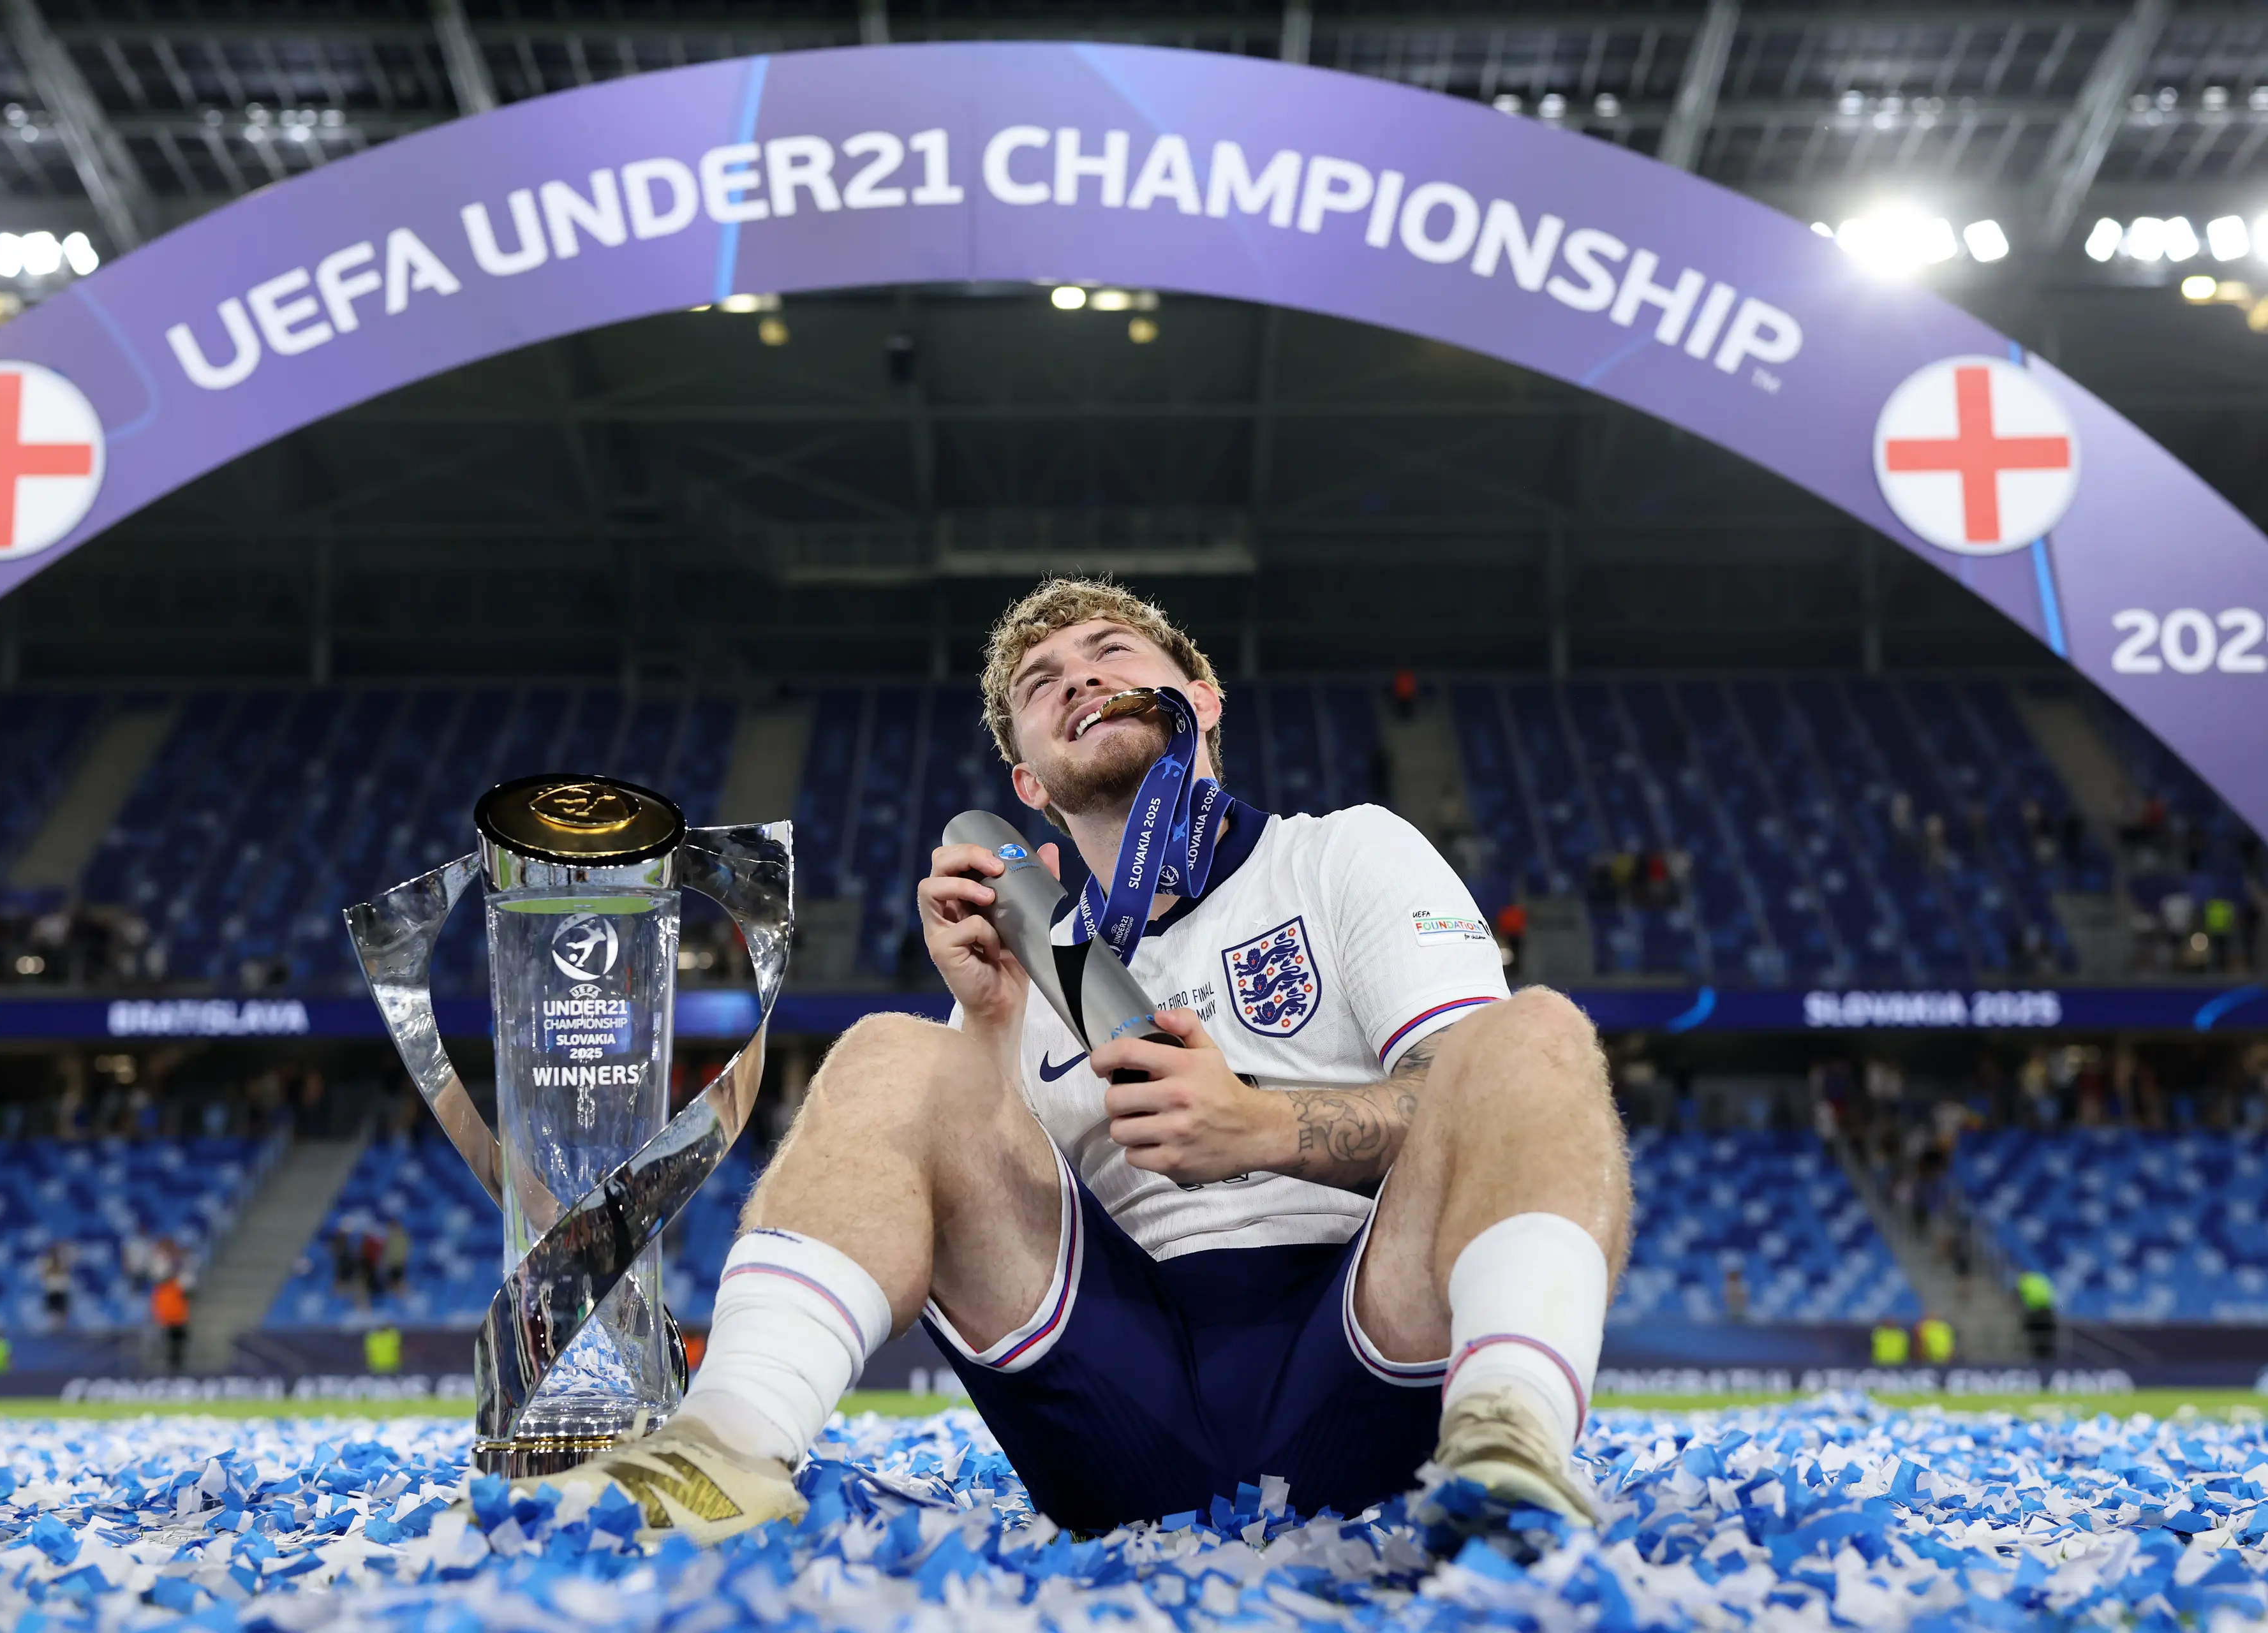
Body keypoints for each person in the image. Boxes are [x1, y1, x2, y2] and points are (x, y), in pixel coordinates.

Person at [531, 577, 1631, 1543]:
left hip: (1368, 1360)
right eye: (1041, 680)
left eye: (1113, 653)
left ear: (1202, 702)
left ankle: (1510, 1437)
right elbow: (939, 1192)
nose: (1077, 676)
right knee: (890, 1054)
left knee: (1534, 1033)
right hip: (1116, 1408)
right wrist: (993, 1024)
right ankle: (723, 1447)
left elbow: (1484, 1103)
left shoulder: (1344, 853)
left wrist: (1263, 1127)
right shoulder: (1026, 958)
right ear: (1029, 782)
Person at [152, 1271, 190, 1373]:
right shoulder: (163, 1291)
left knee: (178, 1346)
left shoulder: (175, 1288)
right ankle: (171, 1366)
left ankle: (177, 1366)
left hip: (178, 1321)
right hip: (169, 1323)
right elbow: (159, 1307)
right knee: (170, 1346)